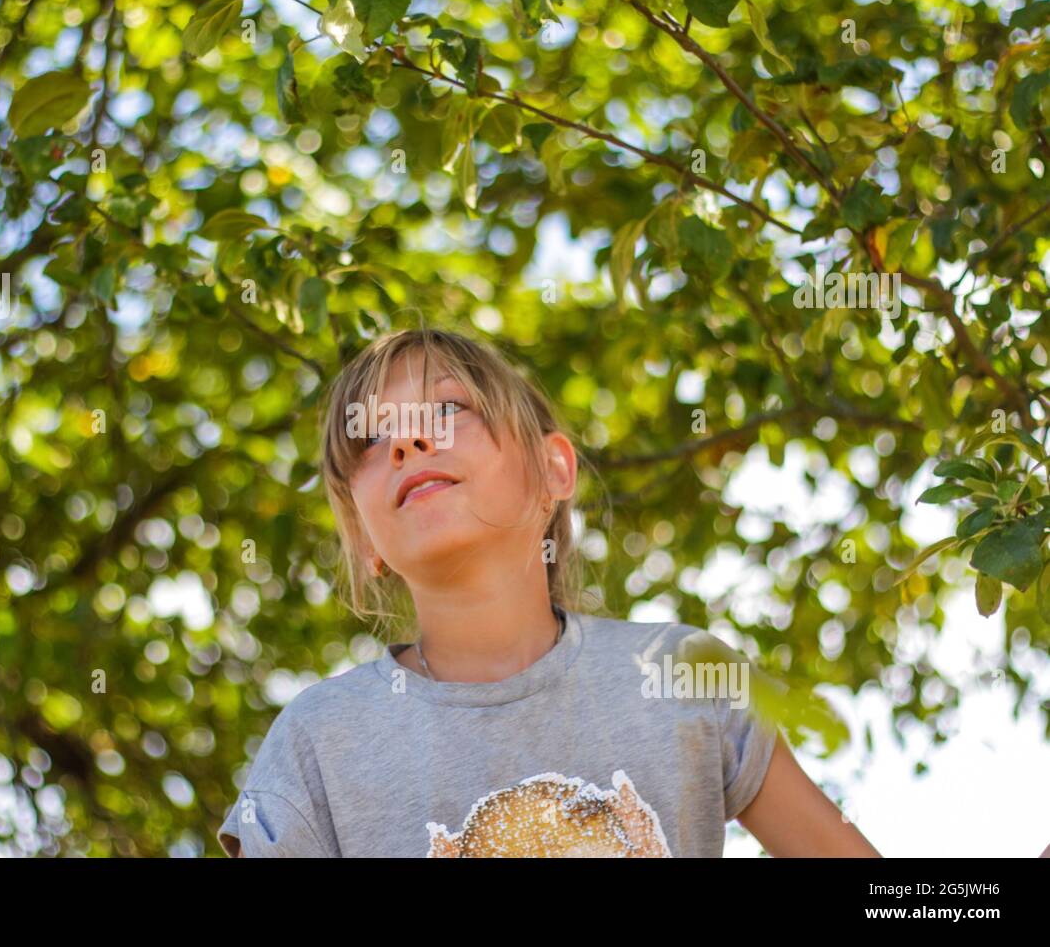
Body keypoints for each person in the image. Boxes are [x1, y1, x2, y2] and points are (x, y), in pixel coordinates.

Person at [217, 327, 879, 857]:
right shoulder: (317, 741)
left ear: (552, 468)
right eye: (370, 436)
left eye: (447, 410)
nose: (407, 442)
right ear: (364, 538)